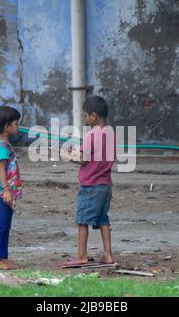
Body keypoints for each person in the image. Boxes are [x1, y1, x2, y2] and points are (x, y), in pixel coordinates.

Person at [61, 96, 116, 266]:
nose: (85, 119)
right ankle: (108, 254)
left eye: (85, 116)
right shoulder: (110, 132)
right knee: (103, 219)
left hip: (90, 185)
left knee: (83, 220)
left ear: (93, 116)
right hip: (106, 184)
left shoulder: (92, 134)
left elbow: (84, 159)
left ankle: (81, 255)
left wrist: (69, 156)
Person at [0, 106, 23, 270]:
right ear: (6, 127)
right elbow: (2, 169)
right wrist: (6, 190)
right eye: (16, 123)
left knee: (5, 226)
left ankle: (3, 257)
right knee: (0, 226)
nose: (18, 127)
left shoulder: (4, 144)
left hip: (5, 193)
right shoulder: (2, 146)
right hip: (1, 193)